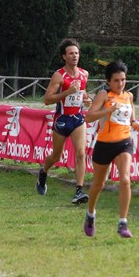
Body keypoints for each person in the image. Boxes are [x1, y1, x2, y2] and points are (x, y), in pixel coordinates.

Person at [83, 60, 139, 239]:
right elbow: (88, 118)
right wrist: (107, 111)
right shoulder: (104, 95)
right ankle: (90, 214)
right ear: (109, 81)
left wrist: (135, 123)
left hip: (124, 143)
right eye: (116, 80)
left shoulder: (129, 96)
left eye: (123, 80)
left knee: (125, 179)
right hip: (104, 145)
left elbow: (131, 118)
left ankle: (123, 222)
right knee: (99, 184)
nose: (120, 84)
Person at [36, 38, 91, 204]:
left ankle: (79, 191)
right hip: (62, 120)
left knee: (81, 153)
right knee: (56, 156)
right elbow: (47, 99)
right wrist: (67, 92)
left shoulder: (84, 74)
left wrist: (86, 99)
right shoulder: (59, 76)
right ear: (64, 57)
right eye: (71, 53)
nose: (74, 56)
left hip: (78, 119)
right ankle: (43, 172)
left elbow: (82, 93)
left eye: (76, 53)